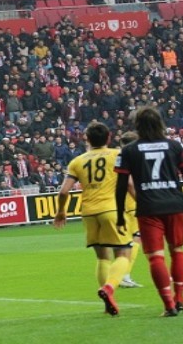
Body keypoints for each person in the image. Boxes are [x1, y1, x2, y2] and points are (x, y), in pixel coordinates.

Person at [114, 107, 183, 317]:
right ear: (160, 123)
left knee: (156, 258)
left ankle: (169, 304)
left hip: (148, 208)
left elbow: (121, 185)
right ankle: (180, 299)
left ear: (137, 126)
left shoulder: (129, 150)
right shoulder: (174, 145)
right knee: (177, 251)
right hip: (174, 205)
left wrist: (119, 215)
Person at [53, 122, 133, 317]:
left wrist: (61, 211)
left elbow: (64, 191)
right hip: (112, 209)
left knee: (102, 256)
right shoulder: (117, 155)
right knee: (124, 253)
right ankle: (109, 288)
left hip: (88, 212)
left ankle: (107, 305)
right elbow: (129, 184)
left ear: (86, 139)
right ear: (109, 137)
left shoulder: (77, 161)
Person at [118, 131, 143, 289]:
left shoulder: (116, 157)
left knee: (125, 241)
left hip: (118, 203)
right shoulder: (132, 158)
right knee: (135, 239)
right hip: (131, 203)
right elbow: (130, 183)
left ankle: (121, 274)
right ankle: (124, 275)